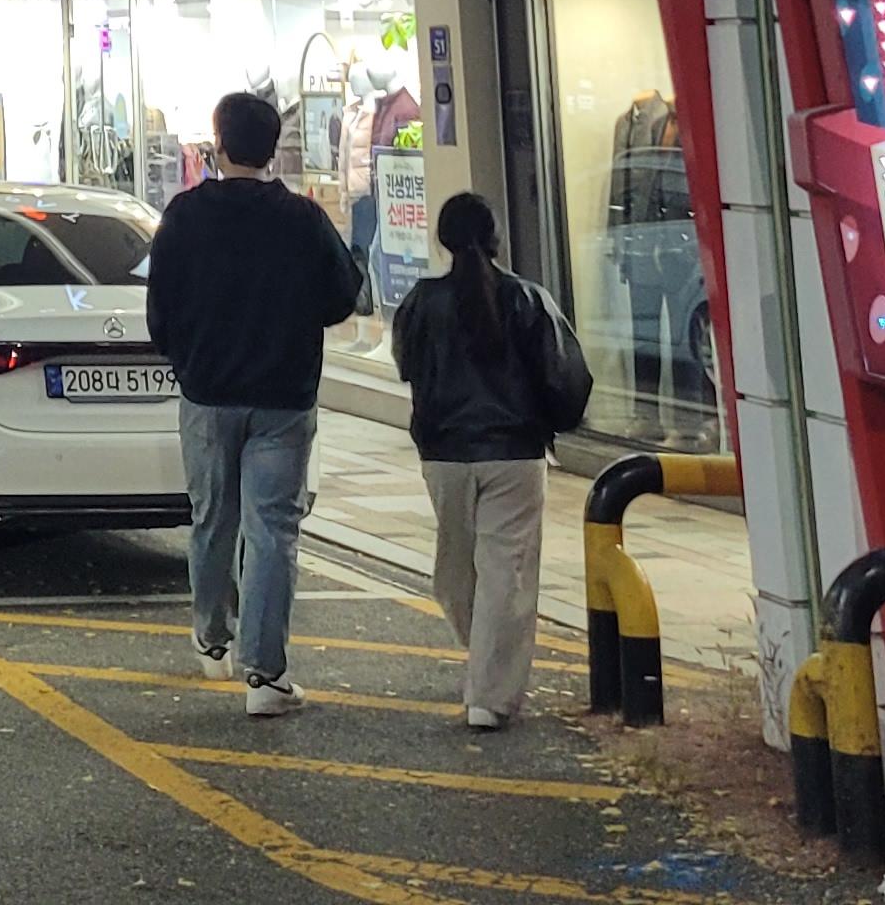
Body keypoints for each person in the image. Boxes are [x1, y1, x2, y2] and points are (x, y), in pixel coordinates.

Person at [143, 88, 364, 719]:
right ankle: (265, 676)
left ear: (218, 145)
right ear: (272, 150)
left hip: (208, 393)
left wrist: (188, 358)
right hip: (283, 398)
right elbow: (342, 297)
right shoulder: (302, 218)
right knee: (273, 530)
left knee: (213, 518)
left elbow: (160, 311)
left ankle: (212, 636)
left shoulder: (185, 216)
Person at [391, 191, 593, 729]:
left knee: (455, 569)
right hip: (515, 454)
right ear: (496, 238)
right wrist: (550, 424)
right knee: (507, 570)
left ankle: (483, 656)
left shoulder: (420, 302)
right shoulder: (528, 299)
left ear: (442, 240)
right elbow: (567, 378)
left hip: (443, 454)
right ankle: (489, 694)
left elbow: (407, 367)